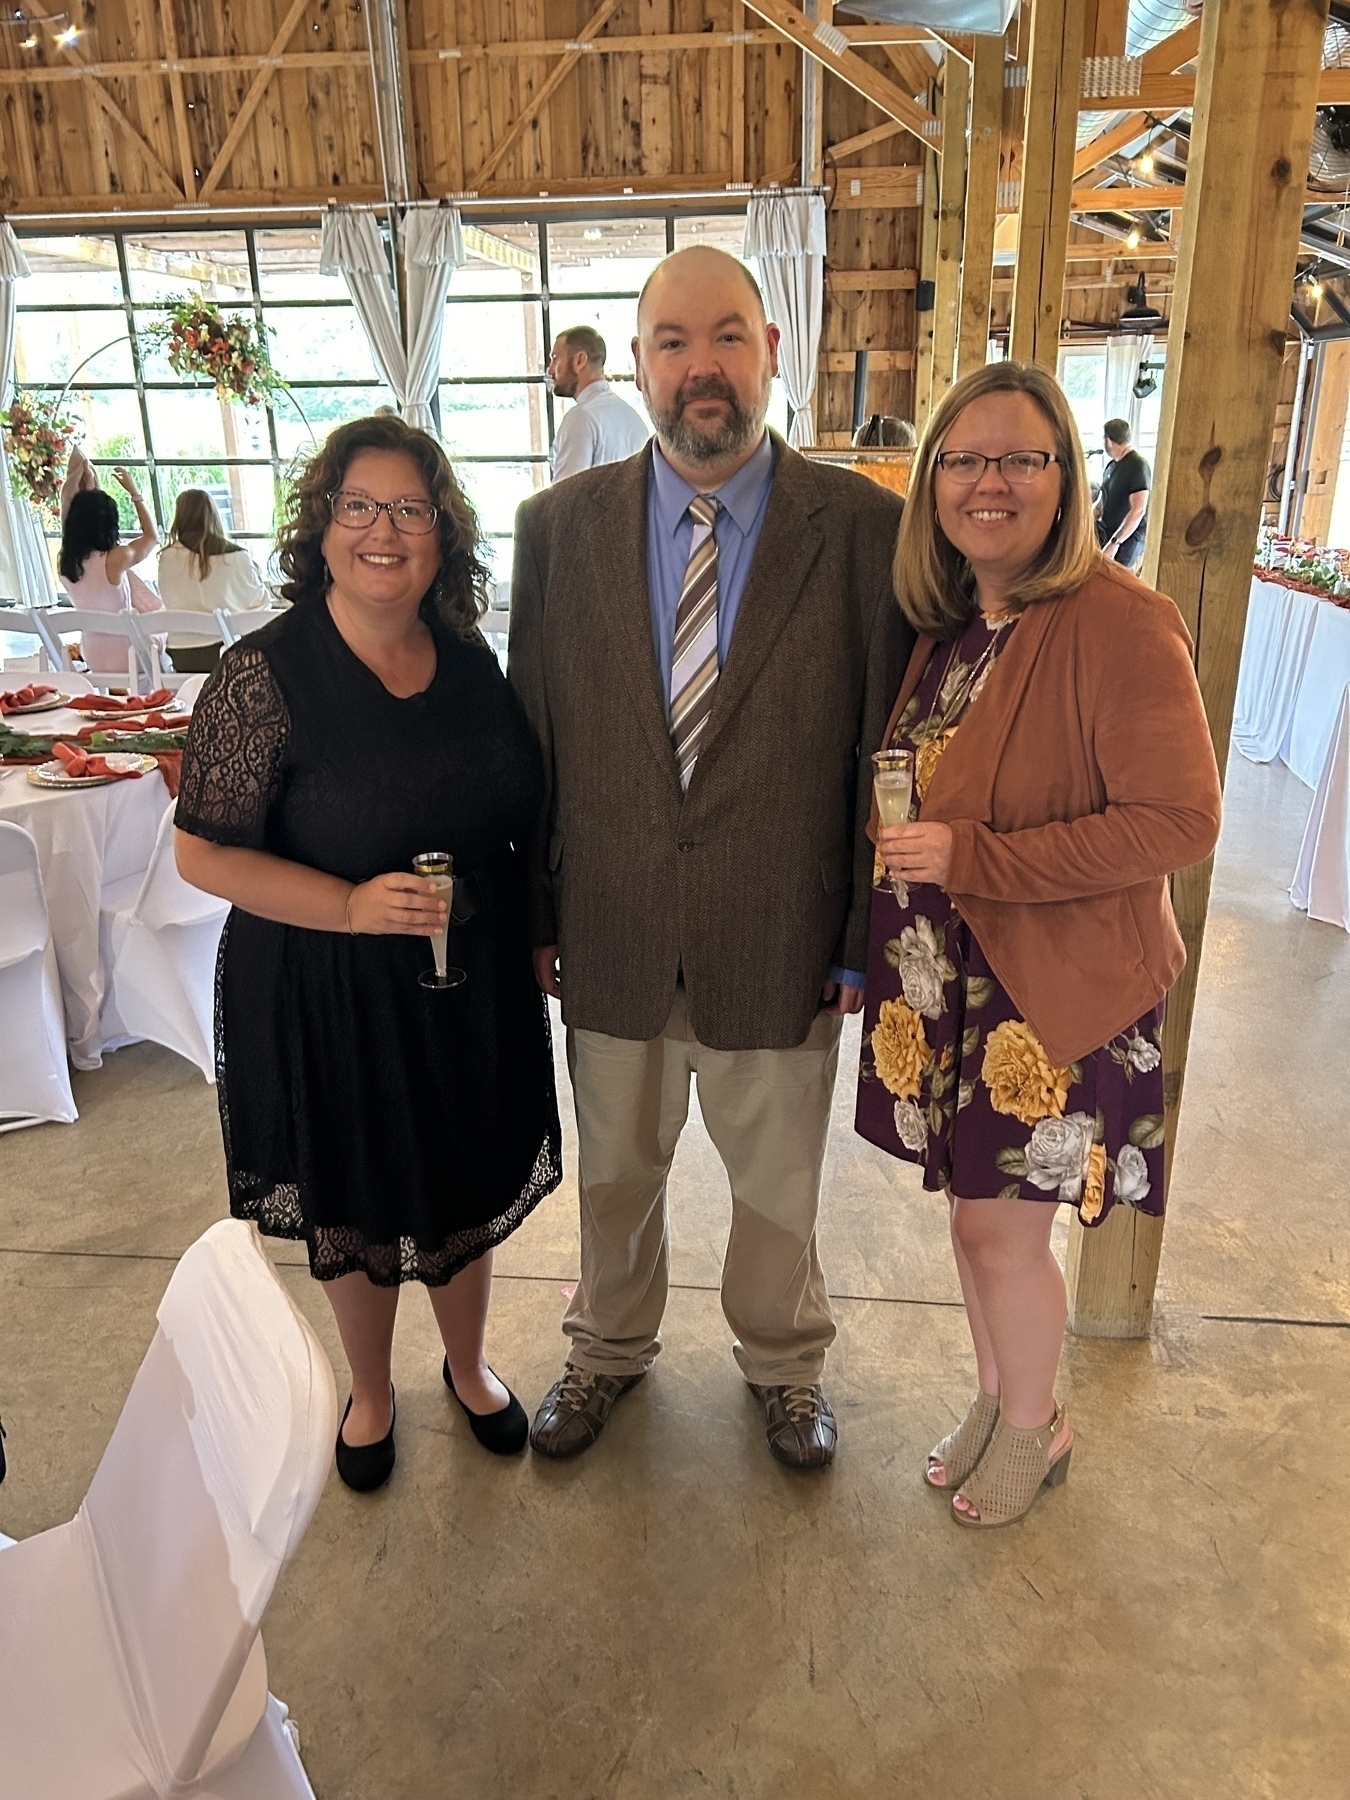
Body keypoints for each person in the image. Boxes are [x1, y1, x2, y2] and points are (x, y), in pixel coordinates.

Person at [510, 246, 912, 1470]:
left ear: (772, 353)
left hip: (779, 936)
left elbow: (877, 756)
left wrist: (859, 945)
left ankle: (785, 1368)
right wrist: (537, 910)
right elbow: (536, 735)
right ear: (637, 362)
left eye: (729, 336)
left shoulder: (860, 531)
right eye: (674, 340)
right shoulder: (558, 529)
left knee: (777, 1186)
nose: (702, 366)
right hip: (613, 929)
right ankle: (607, 1349)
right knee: (617, 1175)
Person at [855, 362, 1221, 1527]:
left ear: (1068, 477)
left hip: (1052, 999)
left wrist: (979, 860)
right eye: (963, 460)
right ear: (933, 486)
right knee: (975, 1225)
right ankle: (1001, 1394)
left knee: (1002, 1234)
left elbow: (1180, 820)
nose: (989, 484)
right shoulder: (956, 624)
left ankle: (1036, 1425)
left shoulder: (1121, 619)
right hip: (954, 986)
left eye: (1022, 459)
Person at [174, 414, 562, 1493]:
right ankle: (373, 1391)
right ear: (322, 524)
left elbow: (520, 818)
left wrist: (533, 926)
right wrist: (348, 906)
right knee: (357, 1196)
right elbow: (200, 852)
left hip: (469, 983)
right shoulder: (266, 674)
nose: (383, 531)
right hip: (327, 989)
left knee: (469, 1181)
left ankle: (471, 1367)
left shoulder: (472, 660)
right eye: (359, 506)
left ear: (443, 536)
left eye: (410, 509)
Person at [57, 452, 162, 678]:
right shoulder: (117, 558)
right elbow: (152, 537)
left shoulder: (65, 563)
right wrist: (135, 493)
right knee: (163, 628)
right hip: (129, 656)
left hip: (93, 656)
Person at [157, 488, 268, 674]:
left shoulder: (166, 557)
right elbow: (260, 604)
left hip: (181, 655)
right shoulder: (235, 556)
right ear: (213, 515)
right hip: (224, 652)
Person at [547, 325, 650, 482]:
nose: (550, 370)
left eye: (555, 359)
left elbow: (565, 501)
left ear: (579, 360)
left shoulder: (580, 418)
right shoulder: (635, 421)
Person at [1095, 418, 1150, 568]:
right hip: (1108, 532)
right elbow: (1105, 496)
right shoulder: (1111, 465)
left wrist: (1115, 542)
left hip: (1127, 541)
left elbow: (1138, 510)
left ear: (1109, 441)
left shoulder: (1138, 465)